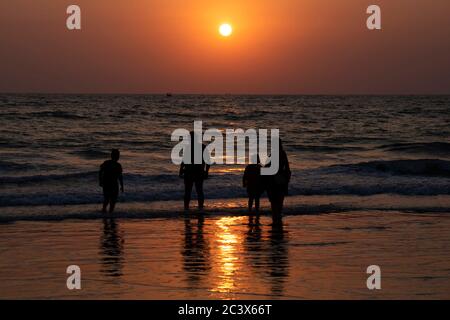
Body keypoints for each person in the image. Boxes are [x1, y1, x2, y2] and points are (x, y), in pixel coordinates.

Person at [179, 132, 210, 211]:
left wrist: (181, 170)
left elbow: (184, 161)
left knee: (189, 191)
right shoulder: (202, 147)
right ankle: (200, 208)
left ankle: (187, 208)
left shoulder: (188, 147)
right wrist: (206, 172)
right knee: (198, 191)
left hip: (190, 172)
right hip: (198, 172)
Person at [266, 139, 291, 221]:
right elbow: (287, 167)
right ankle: (278, 216)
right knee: (280, 199)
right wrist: (287, 178)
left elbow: (267, 165)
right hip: (282, 177)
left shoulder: (273, 153)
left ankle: (275, 216)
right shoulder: (283, 153)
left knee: (273, 199)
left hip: (273, 178)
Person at [99, 149, 124, 213]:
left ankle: (105, 213)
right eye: (118, 155)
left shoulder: (107, 163)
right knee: (111, 201)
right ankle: (108, 214)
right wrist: (122, 186)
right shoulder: (117, 165)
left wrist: (100, 181)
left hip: (108, 184)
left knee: (107, 200)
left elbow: (100, 172)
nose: (118, 157)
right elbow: (120, 176)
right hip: (112, 184)